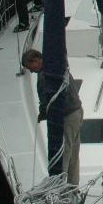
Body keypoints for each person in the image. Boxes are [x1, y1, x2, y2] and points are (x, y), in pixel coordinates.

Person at [21, 49, 84, 186]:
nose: (31, 71)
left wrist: (43, 113)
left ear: (36, 60)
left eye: (30, 67)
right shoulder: (56, 66)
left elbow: (47, 98)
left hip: (68, 116)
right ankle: (73, 185)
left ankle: (59, 187)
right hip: (76, 111)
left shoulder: (47, 75)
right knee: (73, 150)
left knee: (65, 152)